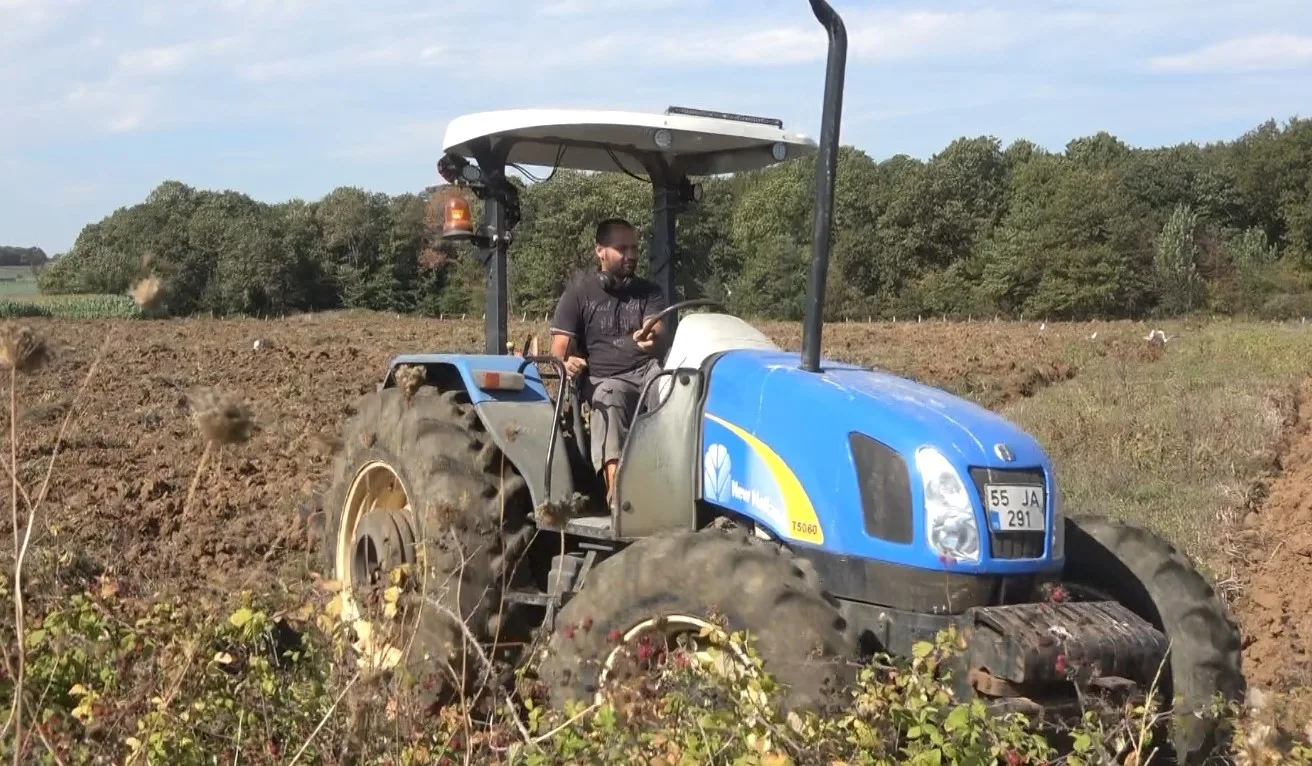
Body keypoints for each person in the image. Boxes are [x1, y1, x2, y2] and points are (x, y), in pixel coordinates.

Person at [549, 217, 668, 506]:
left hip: (647, 371)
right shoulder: (578, 293)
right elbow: (558, 351)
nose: (631, 255)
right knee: (610, 397)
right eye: (622, 248)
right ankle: (619, 498)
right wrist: (566, 364)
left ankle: (677, 483)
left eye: (635, 248)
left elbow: (656, 326)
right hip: (605, 379)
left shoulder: (648, 291)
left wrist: (650, 332)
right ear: (600, 251)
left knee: (677, 392)